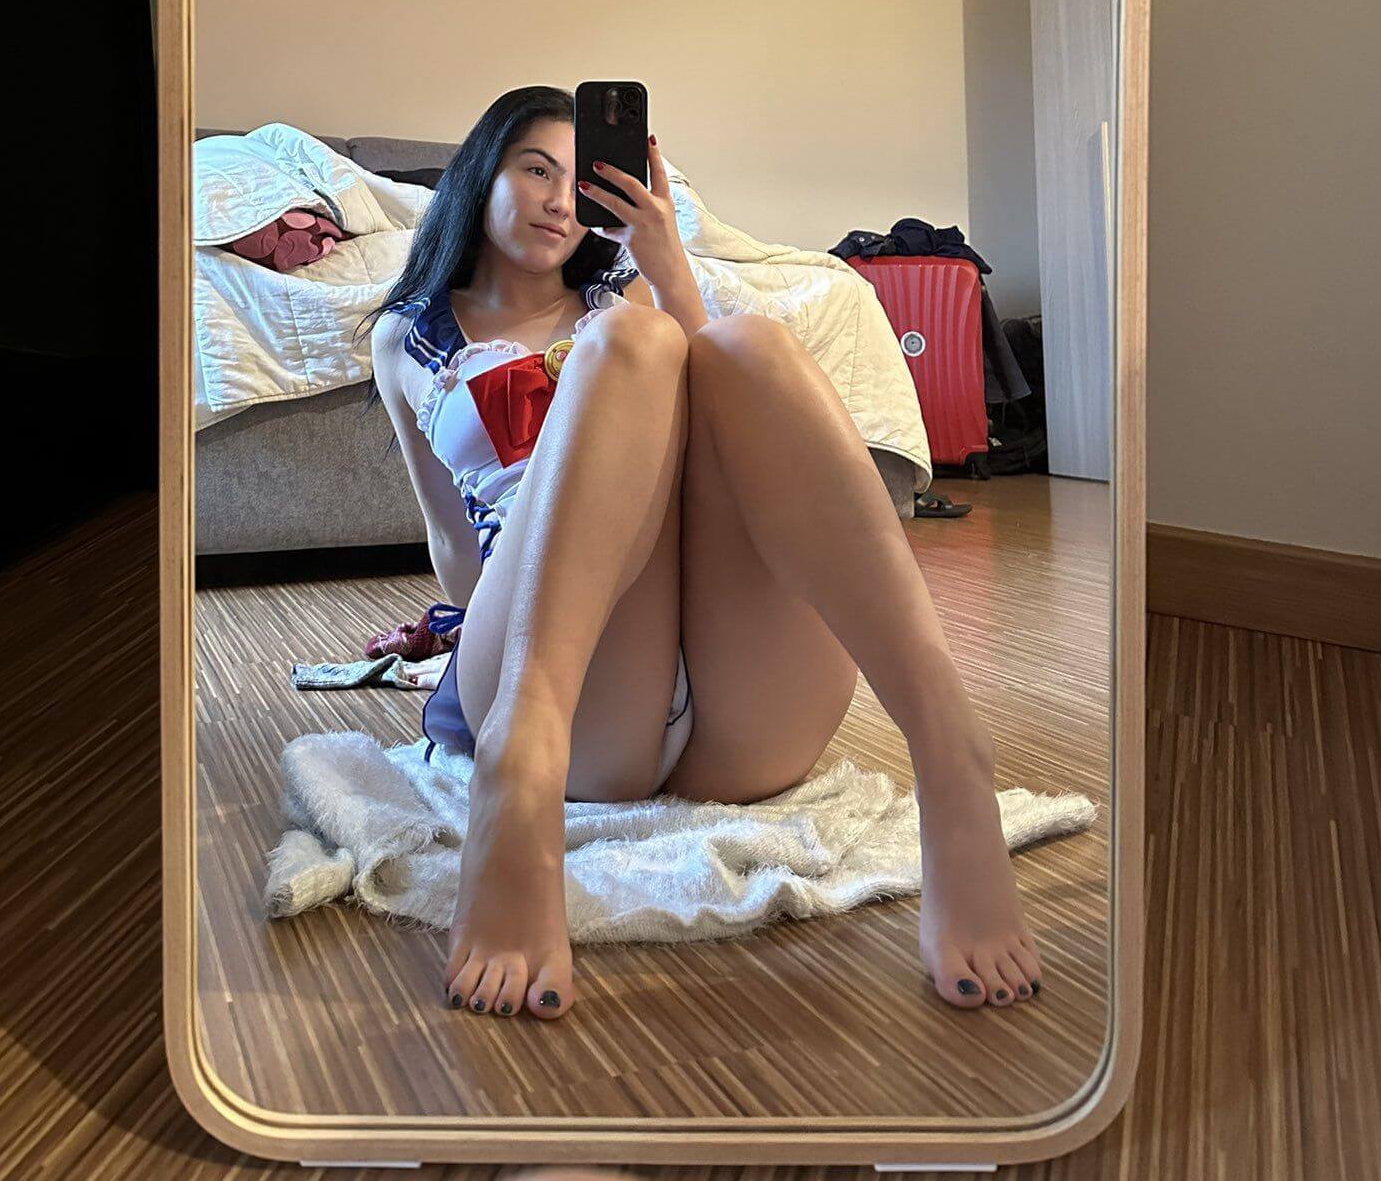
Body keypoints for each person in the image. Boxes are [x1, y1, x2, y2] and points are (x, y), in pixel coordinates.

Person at [365, 86, 1042, 1024]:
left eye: (576, 179)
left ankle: (951, 751)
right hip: (571, 686)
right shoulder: (407, 338)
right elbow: (451, 540)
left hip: (742, 708)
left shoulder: (629, 298)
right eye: (535, 170)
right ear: (479, 175)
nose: (559, 200)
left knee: (746, 345)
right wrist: (506, 609)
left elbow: (719, 412)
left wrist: (665, 261)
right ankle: (518, 769)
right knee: (626, 343)